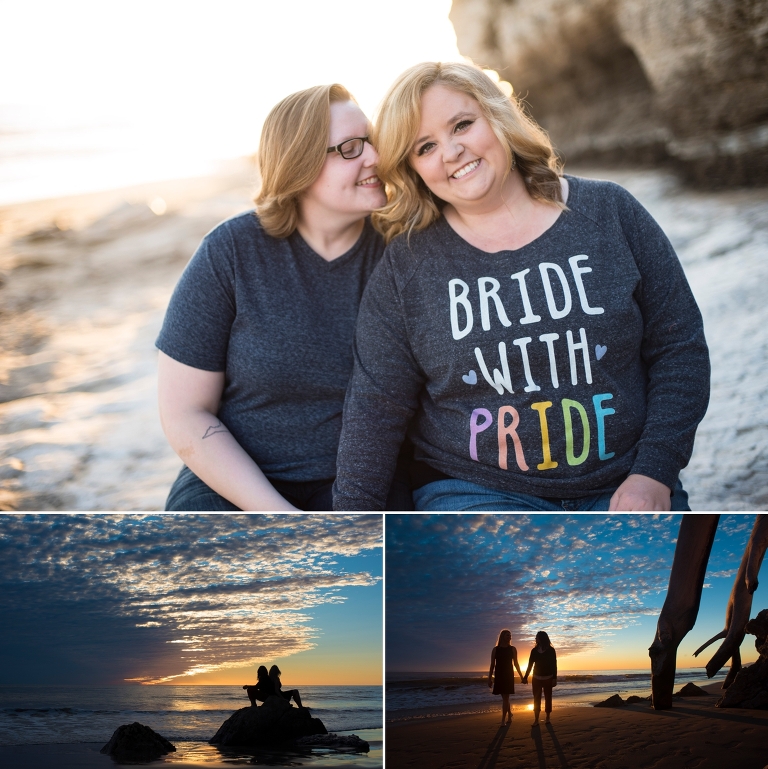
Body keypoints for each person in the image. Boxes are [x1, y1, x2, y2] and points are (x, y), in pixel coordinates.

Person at [333, 61, 710, 511]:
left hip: (625, 482)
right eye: (425, 147)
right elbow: (376, 409)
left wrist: (654, 472)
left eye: (462, 124)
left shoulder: (610, 211)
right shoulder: (406, 266)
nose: (451, 151)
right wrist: (348, 526)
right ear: (412, 169)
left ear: (497, 116)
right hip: (475, 492)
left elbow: (679, 348)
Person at [156, 83, 412, 511]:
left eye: (372, 141)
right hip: (236, 482)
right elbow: (185, 413)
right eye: (351, 148)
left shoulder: (404, 251)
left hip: (368, 484)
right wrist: (279, 518)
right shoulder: (231, 252)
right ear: (300, 166)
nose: (375, 158)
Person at [488, 629, 524, 724]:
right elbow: (492, 665)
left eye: (510, 635)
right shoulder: (495, 650)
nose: (509, 637)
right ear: (502, 636)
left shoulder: (512, 649)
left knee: (506, 697)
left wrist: (521, 676)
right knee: (504, 697)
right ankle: (510, 714)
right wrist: (489, 678)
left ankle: (503, 720)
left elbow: (516, 664)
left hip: (508, 674)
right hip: (499, 674)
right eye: (507, 635)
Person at [522, 631, 557, 726]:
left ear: (541, 638)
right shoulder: (534, 650)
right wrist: (525, 677)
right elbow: (530, 664)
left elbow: (554, 665)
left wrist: (554, 678)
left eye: (536, 637)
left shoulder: (551, 650)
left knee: (548, 698)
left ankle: (547, 717)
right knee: (536, 698)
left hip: (548, 678)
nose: (535, 639)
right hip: (536, 678)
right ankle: (536, 719)